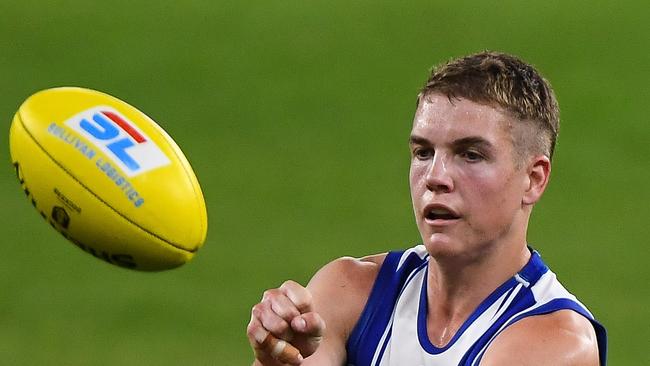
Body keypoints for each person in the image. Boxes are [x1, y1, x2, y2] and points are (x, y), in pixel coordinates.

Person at [246, 51, 608, 365]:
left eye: (470, 154)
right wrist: (276, 361)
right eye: (423, 152)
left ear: (533, 179)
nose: (436, 177)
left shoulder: (556, 342)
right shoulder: (348, 291)